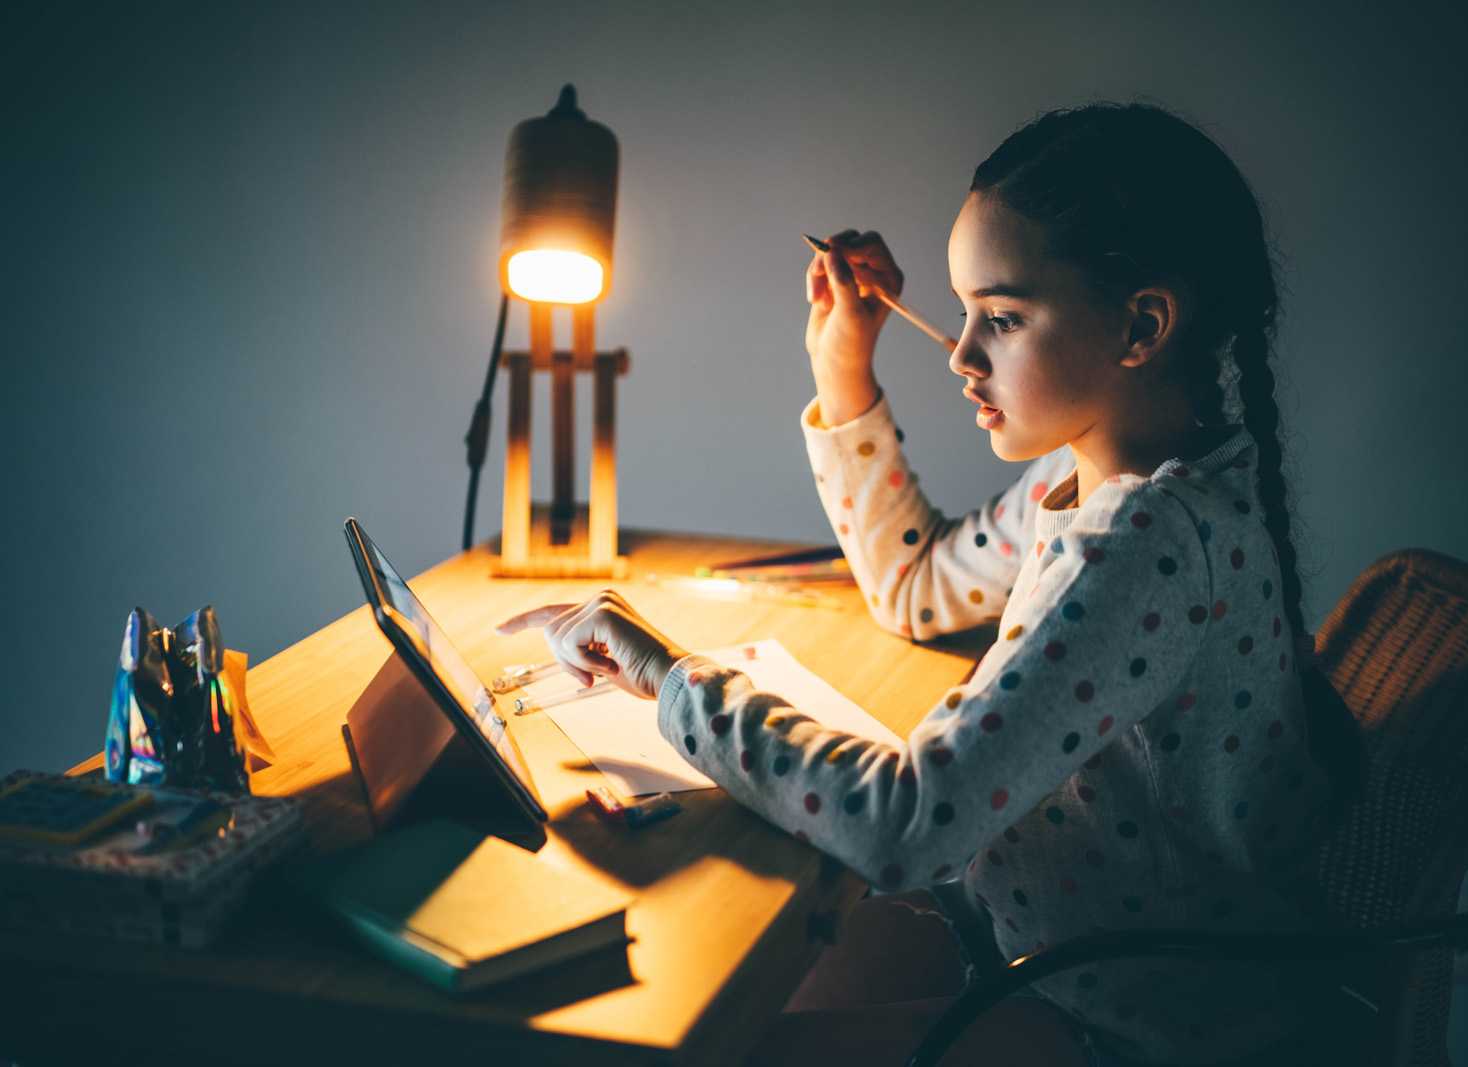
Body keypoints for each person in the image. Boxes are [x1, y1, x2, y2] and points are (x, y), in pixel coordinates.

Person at [499, 101, 1361, 1066]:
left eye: (1000, 317)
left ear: (1142, 325)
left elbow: (912, 823)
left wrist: (669, 679)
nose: (959, 354)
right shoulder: (1093, 479)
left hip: (1133, 1028)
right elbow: (917, 587)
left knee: (701, 1016)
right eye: (961, 315)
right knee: (741, 968)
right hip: (1043, 951)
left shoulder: (1149, 540)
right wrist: (843, 368)